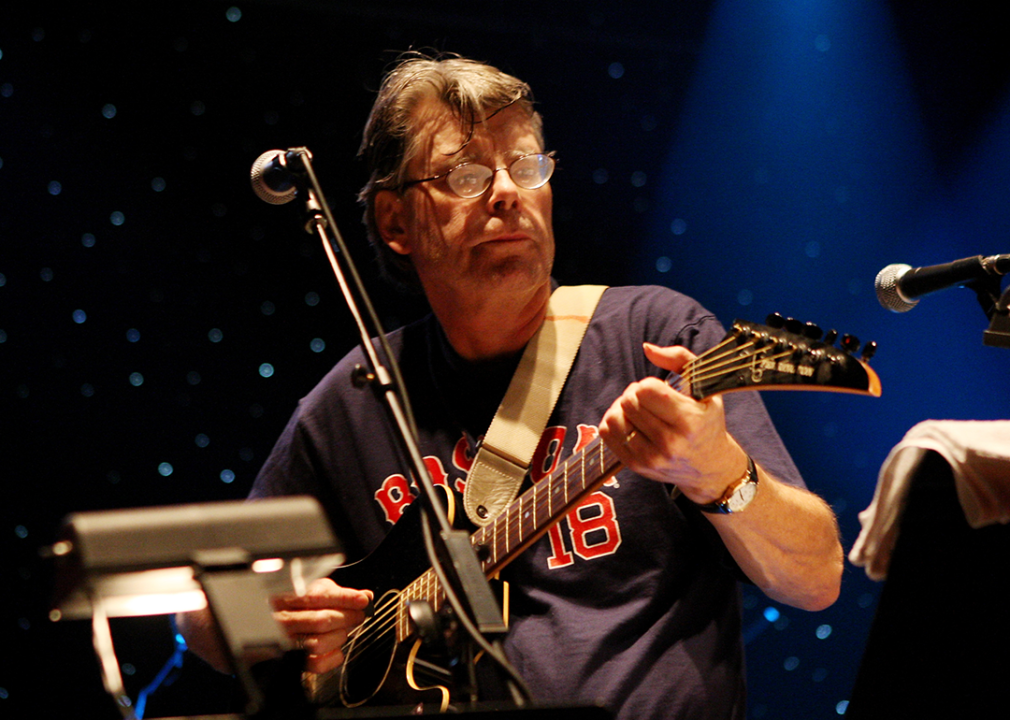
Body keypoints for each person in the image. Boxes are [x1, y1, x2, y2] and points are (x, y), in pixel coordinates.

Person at [180, 53, 842, 720]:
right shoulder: (356, 399)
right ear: (394, 223)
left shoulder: (653, 336)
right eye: (466, 174)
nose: (506, 193)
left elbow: (817, 578)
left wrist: (719, 471)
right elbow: (199, 614)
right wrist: (276, 621)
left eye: (526, 167)